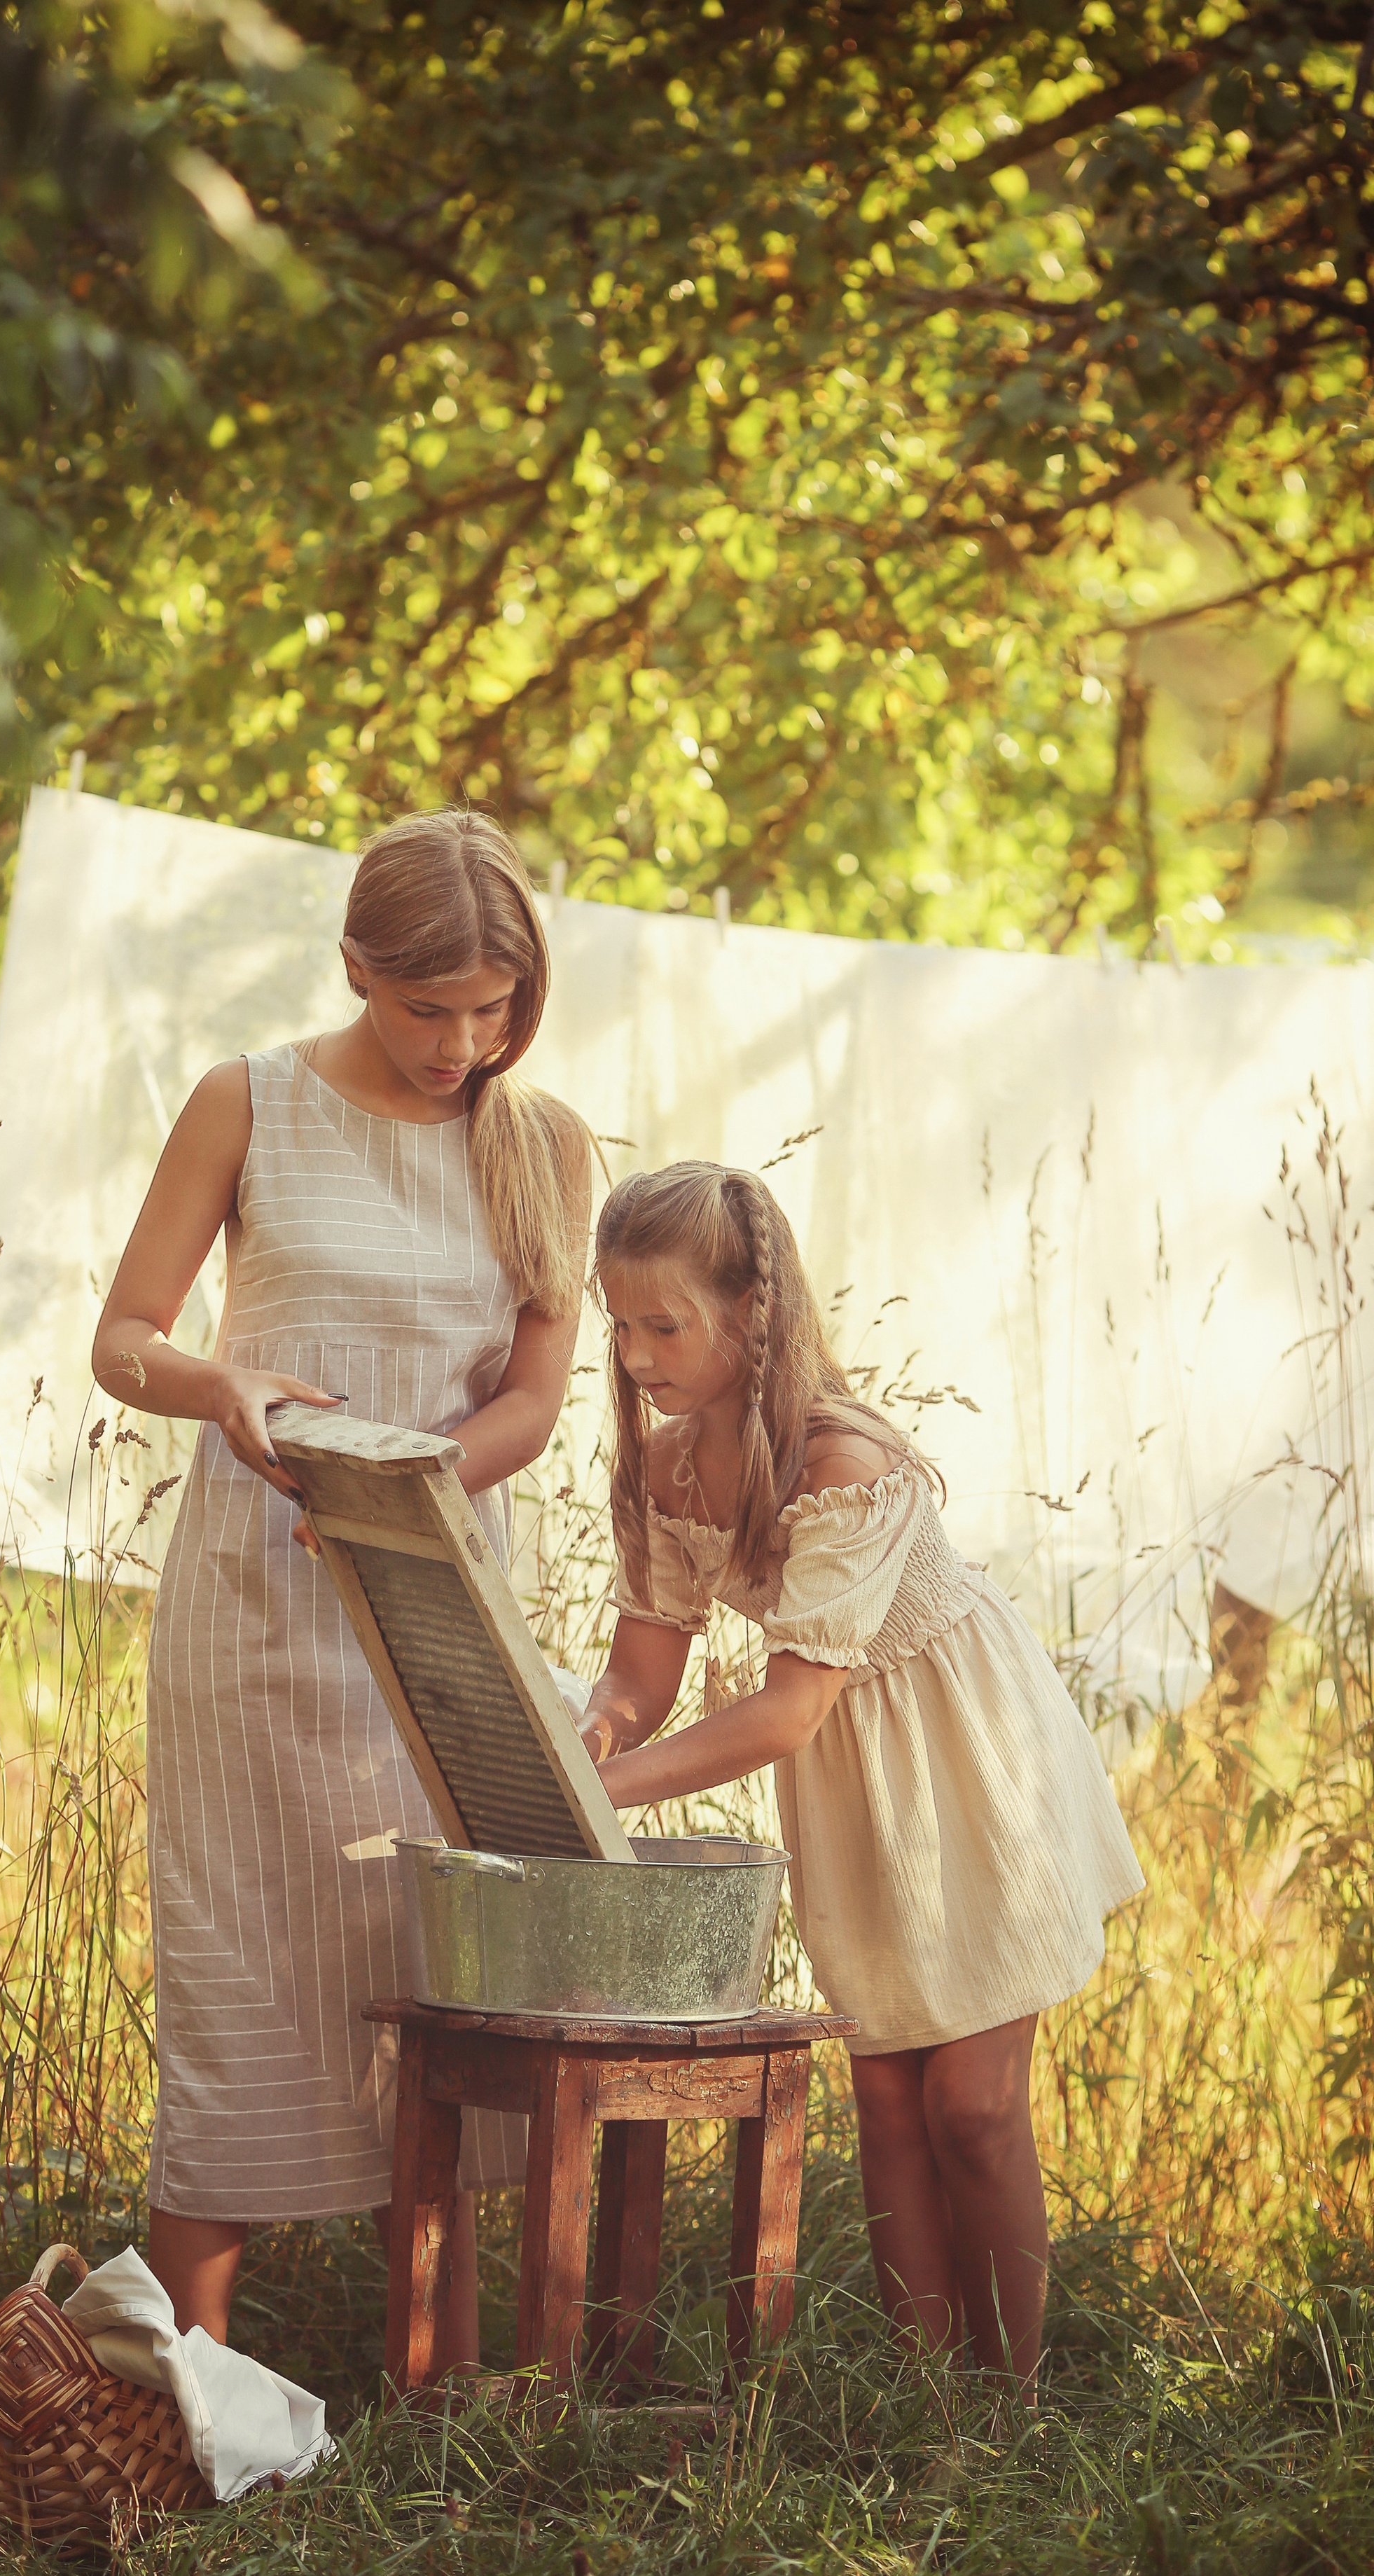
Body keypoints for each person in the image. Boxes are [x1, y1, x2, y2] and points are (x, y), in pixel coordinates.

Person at [92, 810, 590, 2361]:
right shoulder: (247, 1101)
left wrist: (405, 1490)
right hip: (252, 1610)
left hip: (433, 1604)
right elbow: (124, 1340)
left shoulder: (544, 1142)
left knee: (429, 1974)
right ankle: (179, 2395)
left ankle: (416, 2387)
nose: (461, 1042)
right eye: (426, 1006)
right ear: (355, 970)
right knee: (242, 1966)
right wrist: (221, 1388)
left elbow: (529, 1398)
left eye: (491, 1008)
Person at [577, 1163, 1144, 2383]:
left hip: (966, 1761)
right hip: (850, 1789)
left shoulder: (844, 1461)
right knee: (886, 2103)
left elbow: (786, 1707)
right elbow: (642, 1675)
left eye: (663, 1325)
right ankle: (927, 2412)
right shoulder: (666, 1474)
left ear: (752, 1317)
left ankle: (1011, 2413)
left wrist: (610, 1800)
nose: (633, 1355)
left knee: (974, 2110)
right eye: (617, 1324)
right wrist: (594, 1740)